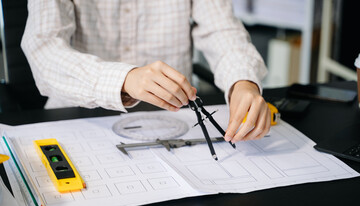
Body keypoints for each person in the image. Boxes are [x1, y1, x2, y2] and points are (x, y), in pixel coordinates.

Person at [21, 0, 270, 143]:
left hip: (174, 121)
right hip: (76, 117)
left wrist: (243, 81)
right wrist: (125, 79)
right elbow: (43, 50)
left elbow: (221, 30)